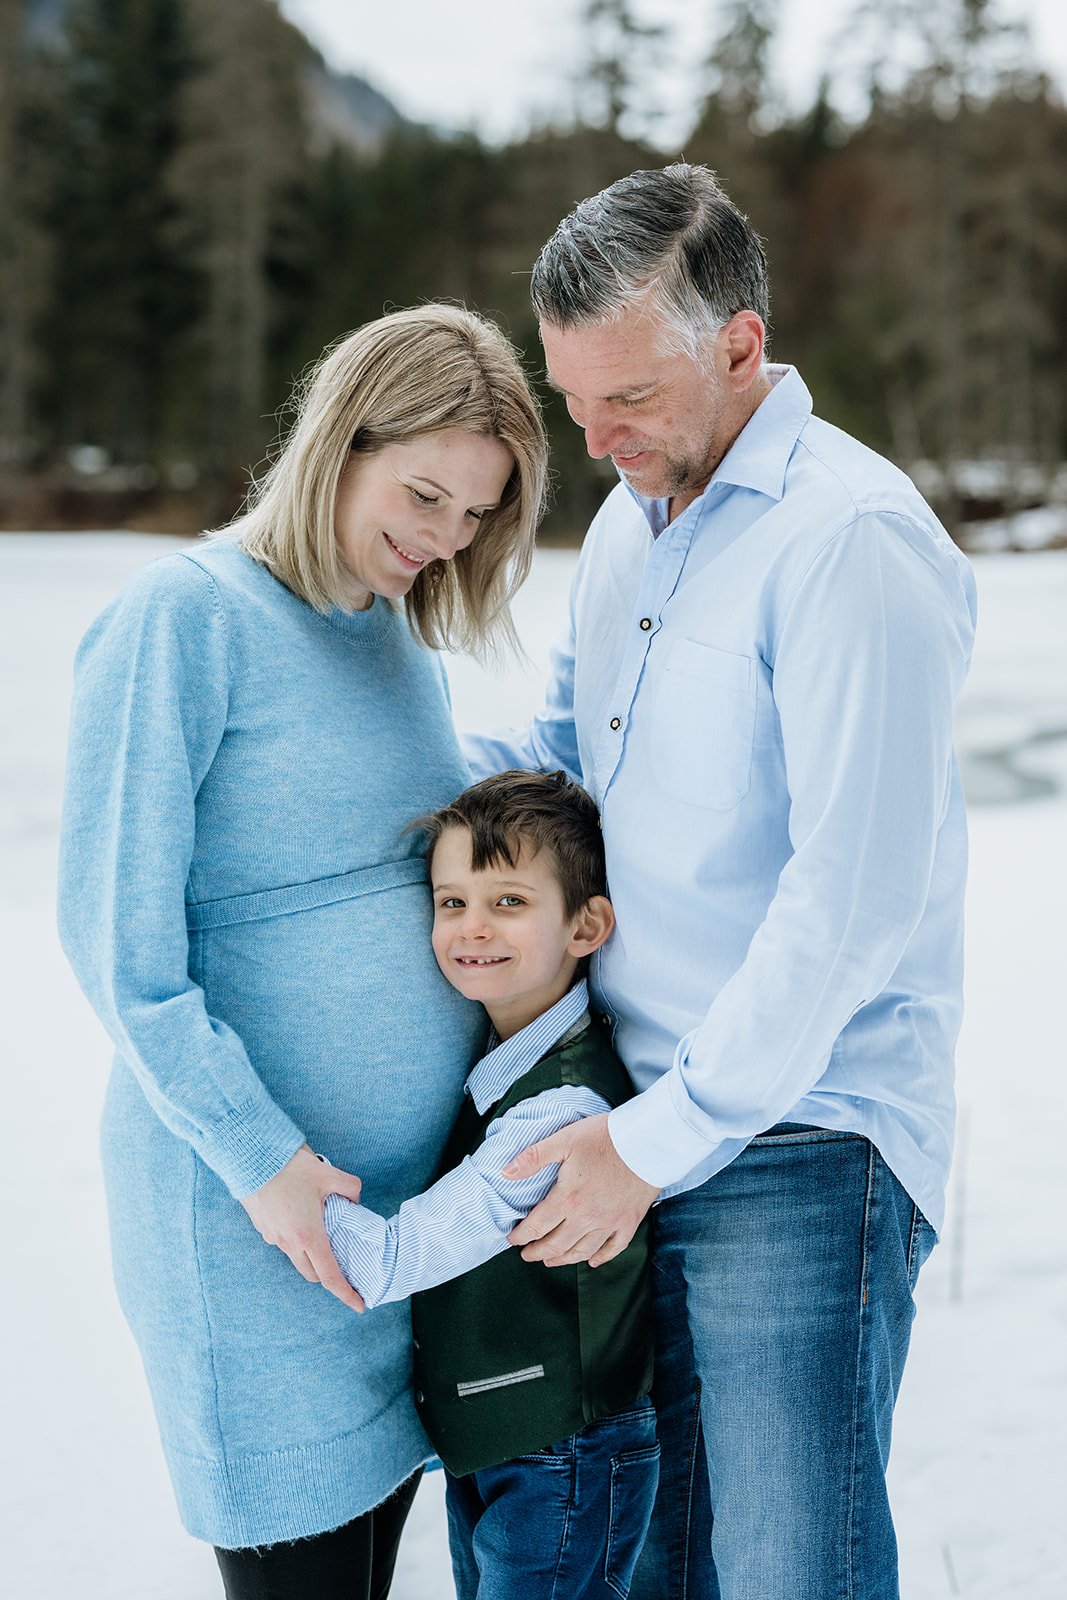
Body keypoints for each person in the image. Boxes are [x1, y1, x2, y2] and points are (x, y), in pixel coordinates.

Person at [463, 164, 978, 1600]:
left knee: (778, 1569)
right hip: (639, 1123)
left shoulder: (846, 543)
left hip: (799, 1139)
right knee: (656, 1566)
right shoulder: (633, 523)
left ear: (739, 344)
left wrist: (654, 1141)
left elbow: (850, 900)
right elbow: (566, 762)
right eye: (572, 404)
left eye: (623, 398)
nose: (595, 437)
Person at [58, 303, 547, 1599]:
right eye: (423, 493)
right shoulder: (184, 618)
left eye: (475, 515)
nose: (442, 538)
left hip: (394, 1238)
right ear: (340, 439)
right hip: (252, 1229)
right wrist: (263, 1165)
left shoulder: (389, 640)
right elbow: (118, 952)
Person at [323, 768, 658, 1600]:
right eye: (449, 902)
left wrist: (271, 1178)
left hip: (564, 1449)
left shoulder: (559, 1108)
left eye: (508, 901)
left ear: (587, 925)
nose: (471, 928)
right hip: (499, 1438)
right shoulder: (491, 1069)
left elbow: (392, 1261)